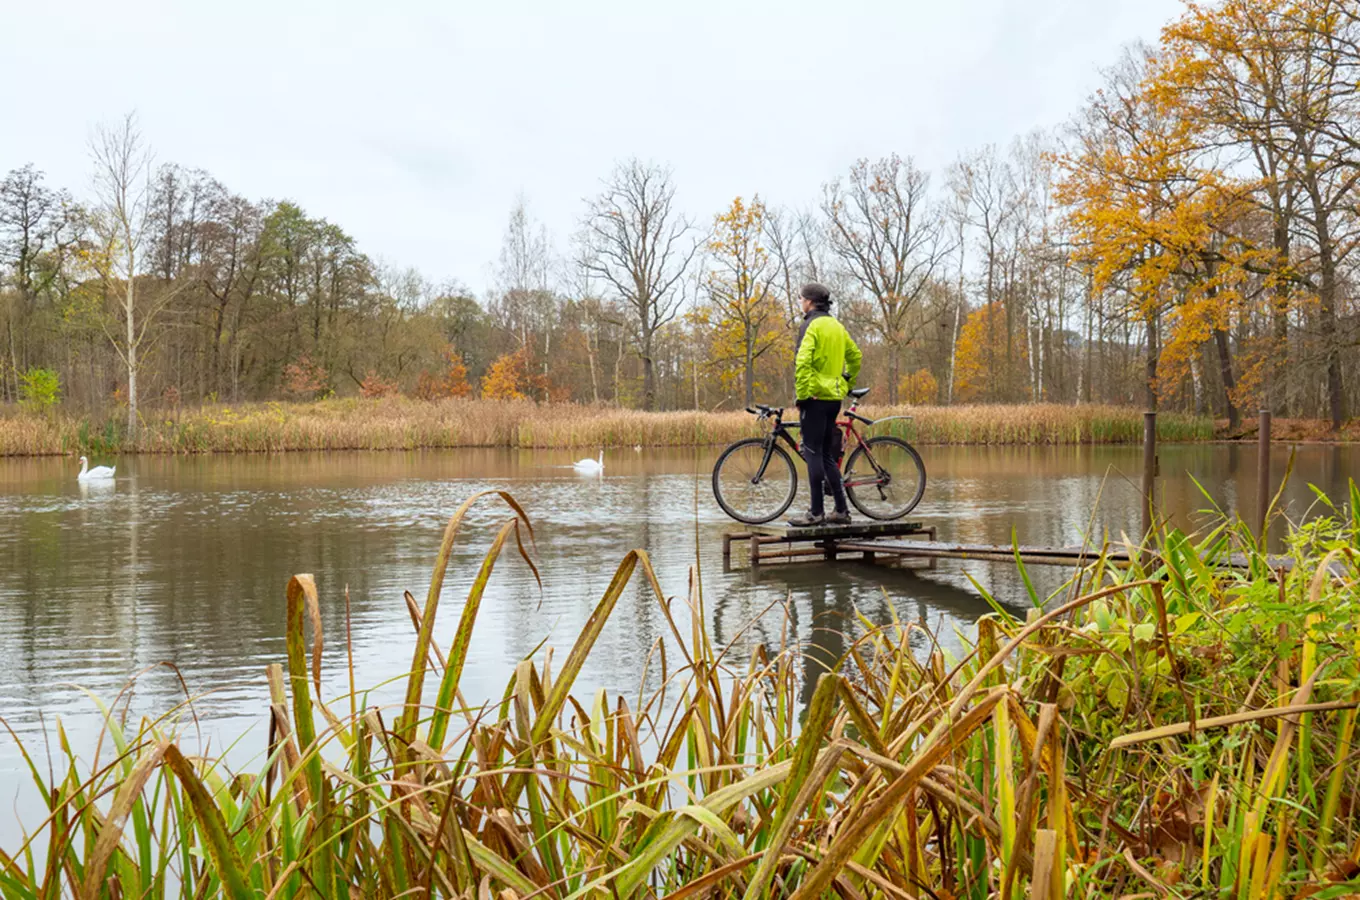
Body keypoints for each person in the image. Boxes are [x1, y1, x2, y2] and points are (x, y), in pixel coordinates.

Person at [789, 282, 861, 526]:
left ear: (809, 301)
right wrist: (846, 379)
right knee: (827, 456)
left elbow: (802, 363)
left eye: (801, 299)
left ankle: (816, 513)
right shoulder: (836, 326)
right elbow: (855, 356)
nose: (800, 303)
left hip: (816, 398)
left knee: (812, 453)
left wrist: (802, 396)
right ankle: (841, 511)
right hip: (834, 399)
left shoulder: (810, 325)